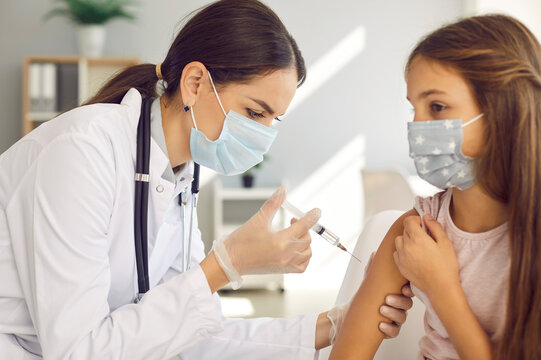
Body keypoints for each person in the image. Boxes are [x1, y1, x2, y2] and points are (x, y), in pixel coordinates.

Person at [0, 1, 414, 358]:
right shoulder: (82, 152)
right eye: (255, 113)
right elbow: (78, 352)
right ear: (195, 83)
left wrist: (336, 325)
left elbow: (201, 338)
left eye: (274, 120)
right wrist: (225, 265)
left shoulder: (177, 179)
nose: (264, 135)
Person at [329, 14, 541, 360]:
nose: (417, 128)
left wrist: (440, 286)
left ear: (504, 109)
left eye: (437, 107)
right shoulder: (416, 232)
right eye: (414, 108)